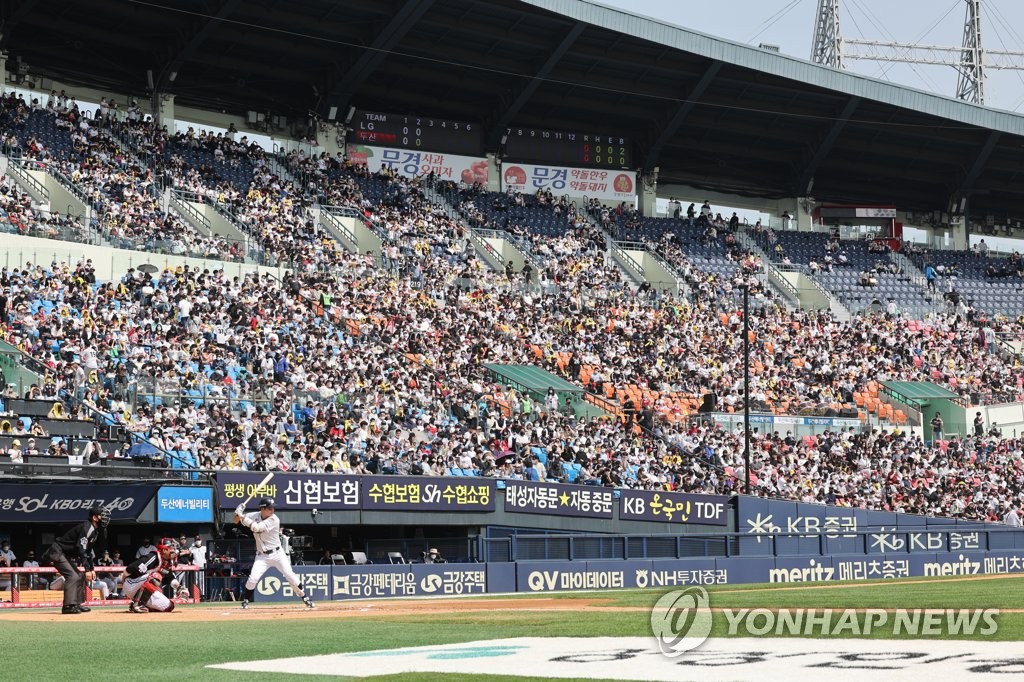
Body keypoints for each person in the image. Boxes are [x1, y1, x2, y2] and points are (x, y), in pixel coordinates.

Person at [234, 497, 314, 609]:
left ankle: (305, 597)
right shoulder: (254, 515)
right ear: (262, 508)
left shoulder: (274, 519)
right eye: (269, 508)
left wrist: (242, 516)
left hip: (277, 554)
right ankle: (246, 600)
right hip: (262, 556)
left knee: (290, 575)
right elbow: (235, 520)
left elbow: (256, 528)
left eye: (273, 508)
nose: (272, 510)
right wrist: (238, 512)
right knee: (252, 579)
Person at [42, 505, 108, 614]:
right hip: (57, 551)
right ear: (94, 518)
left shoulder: (95, 531)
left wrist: (91, 569)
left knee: (79, 575)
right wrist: (87, 570)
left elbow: (88, 552)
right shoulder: (87, 527)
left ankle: (76, 603)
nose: (105, 518)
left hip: (65, 554)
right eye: (102, 515)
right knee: (72, 576)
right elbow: (81, 549)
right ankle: (68, 606)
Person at [122, 539, 179, 613]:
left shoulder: (166, 562)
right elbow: (130, 568)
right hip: (131, 584)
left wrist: (180, 588)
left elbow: (168, 576)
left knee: (169, 606)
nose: (173, 551)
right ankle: (138, 604)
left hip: (142, 588)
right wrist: (124, 579)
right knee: (156, 576)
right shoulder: (153, 557)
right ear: (164, 550)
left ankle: (140, 605)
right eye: (171, 548)